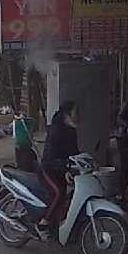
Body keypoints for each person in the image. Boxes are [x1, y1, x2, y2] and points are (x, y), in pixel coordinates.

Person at [38, 100, 81, 236]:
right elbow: (51, 158)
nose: (78, 116)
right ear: (67, 115)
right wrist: (66, 169)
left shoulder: (72, 131)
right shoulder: (55, 131)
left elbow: (74, 153)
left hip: (61, 169)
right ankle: (43, 223)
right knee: (59, 193)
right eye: (76, 113)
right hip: (48, 170)